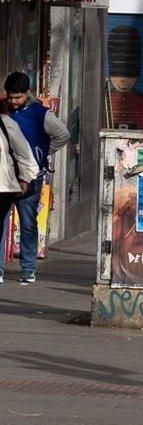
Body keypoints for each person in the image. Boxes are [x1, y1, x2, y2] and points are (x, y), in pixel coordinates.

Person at [3, 72, 70, 285]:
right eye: (10, 97)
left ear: (28, 94)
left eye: (18, 97)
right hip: (4, 176)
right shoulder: (2, 111)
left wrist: (42, 153)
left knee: (28, 222)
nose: (13, 101)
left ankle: (28, 268)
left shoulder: (41, 115)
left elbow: (63, 135)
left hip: (31, 177)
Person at [0, 110, 41, 273]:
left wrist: (25, 179)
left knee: (27, 223)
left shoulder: (7, 123)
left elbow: (27, 157)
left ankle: (28, 267)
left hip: (6, 185)